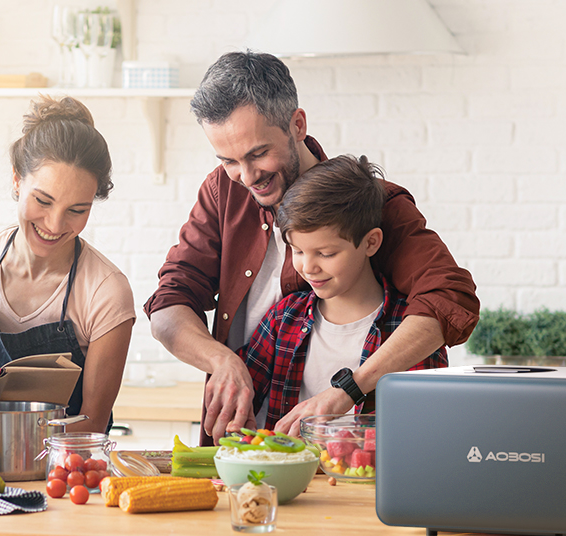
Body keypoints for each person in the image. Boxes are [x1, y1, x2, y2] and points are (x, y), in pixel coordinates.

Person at [144, 51, 480, 439]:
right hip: (249, 440)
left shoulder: (369, 203)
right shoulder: (223, 190)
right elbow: (169, 305)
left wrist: (349, 388)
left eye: (258, 153)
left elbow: (448, 296)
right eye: (229, 160)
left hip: (355, 452)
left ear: (297, 124)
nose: (247, 176)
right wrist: (223, 361)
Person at [0, 96, 135, 434]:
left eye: (77, 210)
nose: (54, 224)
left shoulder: (106, 291)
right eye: (43, 200)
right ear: (17, 180)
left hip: (65, 471)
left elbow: (92, 424)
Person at [239, 155, 447, 430]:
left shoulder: (410, 332)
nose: (308, 267)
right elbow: (240, 402)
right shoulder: (283, 318)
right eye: (298, 251)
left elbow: (427, 431)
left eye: (326, 253)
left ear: (371, 242)